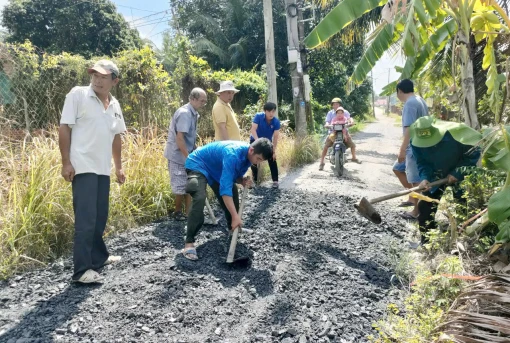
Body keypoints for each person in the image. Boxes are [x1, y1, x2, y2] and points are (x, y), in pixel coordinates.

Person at [58, 60, 126, 284]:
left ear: (114, 81)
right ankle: (81, 271)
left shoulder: (114, 105)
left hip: (102, 169)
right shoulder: (77, 95)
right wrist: (66, 162)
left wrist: (118, 166)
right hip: (82, 166)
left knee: (99, 217)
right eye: (94, 75)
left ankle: (98, 257)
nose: (97, 80)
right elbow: (65, 127)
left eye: (103, 77)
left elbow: (117, 138)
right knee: (86, 220)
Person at [182, 138, 273, 260]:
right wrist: (236, 216)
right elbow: (225, 191)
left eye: (261, 160)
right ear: (251, 150)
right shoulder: (232, 154)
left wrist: (242, 180)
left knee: (233, 191)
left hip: (215, 170)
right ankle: (189, 243)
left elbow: (233, 176)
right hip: (197, 163)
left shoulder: (248, 157)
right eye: (258, 159)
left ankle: (232, 228)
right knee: (199, 197)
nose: (258, 163)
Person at [410, 116, 481, 244]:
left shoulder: (455, 133)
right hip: (435, 176)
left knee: (461, 207)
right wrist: (425, 178)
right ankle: (426, 244)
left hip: (460, 173)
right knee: (425, 209)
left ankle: (461, 239)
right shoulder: (415, 142)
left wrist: (457, 173)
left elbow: (474, 152)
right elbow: (422, 163)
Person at [164, 88, 207, 221]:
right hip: (178, 155)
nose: (203, 104)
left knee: (189, 183)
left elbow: (190, 137)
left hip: (187, 152)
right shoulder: (185, 113)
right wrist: (188, 156)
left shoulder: (193, 113)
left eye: (205, 102)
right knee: (180, 185)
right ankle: (177, 212)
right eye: (202, 101)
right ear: (193, 99)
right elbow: (180, 138)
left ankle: (188, 213)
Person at [393, 79, 428, 220]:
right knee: (398, 168)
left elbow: (409, 129)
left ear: (400, 91)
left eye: (397, 93)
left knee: (415, 180)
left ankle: (416, 212)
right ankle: (413, 198)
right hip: (421, 144)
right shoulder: (419, 100)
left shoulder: (410, 104)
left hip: (414, 147)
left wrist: (402, 150)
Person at [249, 102, 281, 188]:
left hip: (267, 142)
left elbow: (276, 137)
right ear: (265, 111)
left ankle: (275, 181)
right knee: (254, 159)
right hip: (255, 139)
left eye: (273, 111)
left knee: (272, 158)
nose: (271, 114)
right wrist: (258, 141)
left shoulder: (276, 122)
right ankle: (255, 181)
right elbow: (253, 129)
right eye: (269, 111)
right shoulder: (258, 116)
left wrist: (274, 151)